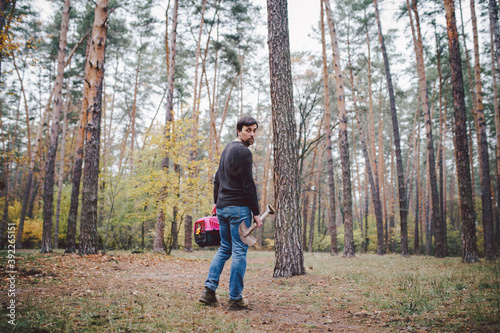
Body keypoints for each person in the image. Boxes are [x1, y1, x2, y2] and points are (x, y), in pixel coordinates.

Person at [199, 116, 263, 310]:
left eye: (254, 130)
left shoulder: (226, 149)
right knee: (239, 251)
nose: (252, 134)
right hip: (238, 209)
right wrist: (256, 213)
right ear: (239, 131)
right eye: (248, 130)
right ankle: (235, 298)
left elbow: (217, 179)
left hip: (223, 208)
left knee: (225, 248)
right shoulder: (243, 152)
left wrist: (217, 203)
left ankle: (208, 292)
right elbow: (248, 184)